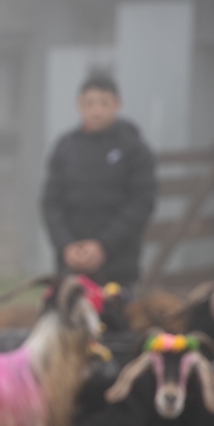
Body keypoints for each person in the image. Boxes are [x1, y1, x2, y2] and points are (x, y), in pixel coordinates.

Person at [41, 72, 156, 288]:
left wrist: (103, 246)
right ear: (79, 105)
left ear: (117, 104)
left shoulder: (134, 149)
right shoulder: (65, 147)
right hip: (70, 267)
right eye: (90, 103)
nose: (96, 110)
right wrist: (66, 246)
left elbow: (142, 202)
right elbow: (51, 202)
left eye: (104, 103)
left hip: (118, 268)